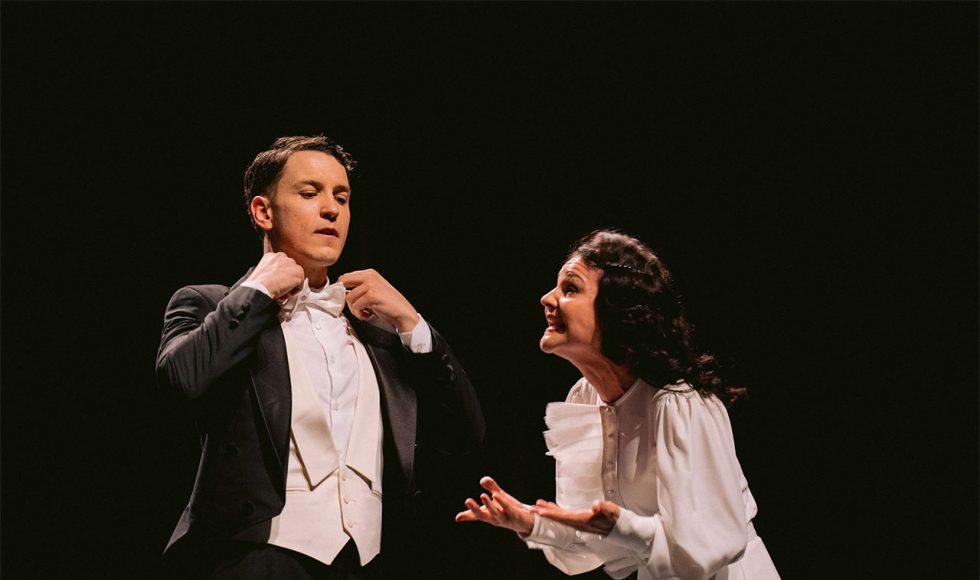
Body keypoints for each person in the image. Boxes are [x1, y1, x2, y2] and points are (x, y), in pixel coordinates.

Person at [156, 135, 484, 579]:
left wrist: (412, 323)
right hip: (253, 559)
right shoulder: (210, 304)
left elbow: (465, 433)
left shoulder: (376, 328)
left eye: (341, 198)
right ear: (263, 212)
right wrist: (256, 291)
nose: (331, 209)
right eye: (310, 193)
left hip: (366, 563)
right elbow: (182, 382)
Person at [455, 230, 778, 580]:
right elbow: (590, 548)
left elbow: (709, 549)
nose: (547, 299)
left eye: (570, 289)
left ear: (616, 310)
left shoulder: (679, 404)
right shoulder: (584, 399)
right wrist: (533, 523)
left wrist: (621, 526)